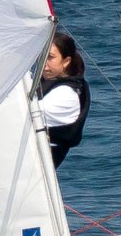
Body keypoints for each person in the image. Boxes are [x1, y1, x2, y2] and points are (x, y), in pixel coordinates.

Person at [32, 30, 89, 167]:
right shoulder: (42, 84)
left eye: (50, 57)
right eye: (41, 56)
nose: (44, 63)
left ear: (66, 61)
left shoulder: (67, 95)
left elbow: (27, 115)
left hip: (35, 170)